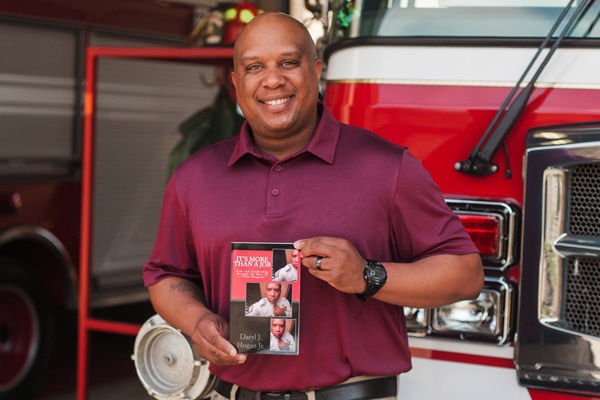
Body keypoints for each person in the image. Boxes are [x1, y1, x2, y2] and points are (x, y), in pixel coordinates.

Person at [143, 11, 483, 400]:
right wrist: (197, 320)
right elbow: (166, 276)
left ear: (317, 71)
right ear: (237, 82)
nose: (273, 80)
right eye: (255, 67)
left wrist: (367, 276)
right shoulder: (195, 177)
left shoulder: (387, 167)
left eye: (289, 62)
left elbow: (466, 274)